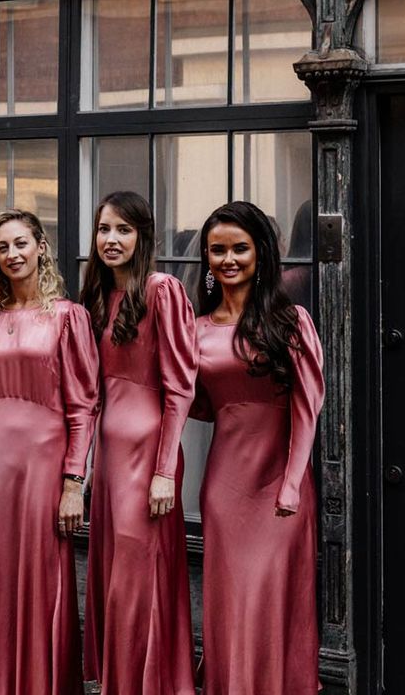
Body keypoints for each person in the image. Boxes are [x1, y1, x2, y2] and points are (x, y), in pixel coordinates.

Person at [194, 201, 324, 695]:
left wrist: (291, 485)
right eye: (218, 250)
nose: (228, 259)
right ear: (207, 258)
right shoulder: (196, 330)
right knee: (230, 601)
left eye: (239, 249)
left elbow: (308, 408)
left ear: (260, 253)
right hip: (224, 486)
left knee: (270, 598)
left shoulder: (290, 320)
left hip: (279, 484)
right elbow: (198, 406)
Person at [0, 209, 99, 695]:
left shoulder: (67, 316)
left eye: (21, 243)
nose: (12, 254)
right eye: (2, 247)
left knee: (45, 576)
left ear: (40, 247)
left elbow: (84, 406)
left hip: (46, 464)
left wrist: (74, 482)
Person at [80, 192, 197, 695]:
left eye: (123, 230)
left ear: (142, 236)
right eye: (104, 229)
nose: (111, 240)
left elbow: (181, 387)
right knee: (114, 577)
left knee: (137, 579)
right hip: (109, 457)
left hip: (148, 453)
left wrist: (165, 470)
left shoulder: (161, 290)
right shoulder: (97, 297)